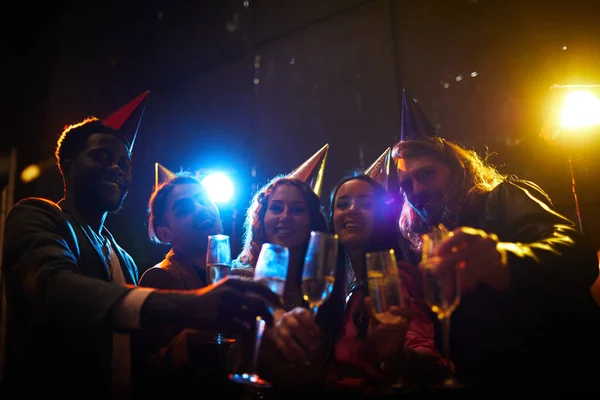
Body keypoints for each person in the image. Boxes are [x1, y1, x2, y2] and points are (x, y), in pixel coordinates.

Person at [0, 93, 279, 397]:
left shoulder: (123, 259)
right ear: (68, 166)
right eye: (101, 157)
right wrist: (191, 305)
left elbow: (139, 363)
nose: (116, 168)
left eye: (124, 163)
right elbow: (53, 288)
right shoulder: (37, 216)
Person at [392, 90, 600, 389]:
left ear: (457, 169)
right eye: (406, 184)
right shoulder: (426, 244)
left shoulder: (501, 198)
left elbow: (575, 252)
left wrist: (505, 259)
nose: (416, 189)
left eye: (426, 174)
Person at [134, 170, 236, 391]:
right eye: (185, 209)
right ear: (164, 233)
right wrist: (195, 337)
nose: (200, 209)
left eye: (203, 200)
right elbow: (147, 371)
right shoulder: (160, 277)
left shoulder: (235, 273)